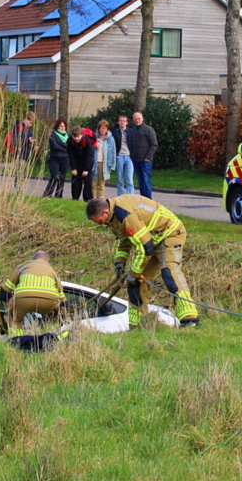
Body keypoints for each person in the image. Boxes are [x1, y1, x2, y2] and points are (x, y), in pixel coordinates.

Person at [86, 196, 199, 329]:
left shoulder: (125, 215)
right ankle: (137, 325)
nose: (101, 224)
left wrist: (134, 272)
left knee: (169, 273)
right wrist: (120, 262)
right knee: (137, 282)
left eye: (100, 221)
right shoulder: (112, 217)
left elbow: (145, 248)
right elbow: (124, 240)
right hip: (151, 240)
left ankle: (190, 319)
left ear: (105, 212)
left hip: (169, 234)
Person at [0, 251, 66, 336]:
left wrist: (8, 301)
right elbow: (62, 298)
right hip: (48, 300)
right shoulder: (52, 271)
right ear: (47, 260)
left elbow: (5, 291)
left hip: (23, 298)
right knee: (53, 319)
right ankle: (52, 338)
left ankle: (17, 339)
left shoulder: (24, 267)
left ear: (33, 259)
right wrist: (59, 309)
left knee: (13, 318)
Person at [130, 111, 158, 198]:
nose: (137, 120)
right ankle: (143, 199)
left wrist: (148, 157)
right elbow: (131, 145)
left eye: (139, 118)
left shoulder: (148, 129)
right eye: (135, 119)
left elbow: (154, 145)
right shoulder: (133, 131)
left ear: (142, 119)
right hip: (136, 160)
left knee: (146, 180)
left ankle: (148, 200)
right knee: (140, 181)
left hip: (146, 160)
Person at [67, 125, 95, 201]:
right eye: (74, 136)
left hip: (86, 162)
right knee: (75, 181)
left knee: (87, 182)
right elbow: (71, 155)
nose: (76, 138)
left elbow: (89, 156)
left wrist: (86, 169)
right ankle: (75, 198)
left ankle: (87, 199)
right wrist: (73, 168)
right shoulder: (70, 141)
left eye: (78, 136)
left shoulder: (87, 141)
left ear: (82, 135)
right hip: (76, 161)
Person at [43, 119, 69, 198]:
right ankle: (47, 194)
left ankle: (59, 195)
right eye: (61, 126)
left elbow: (69, 146)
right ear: (57, 126)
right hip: (54, 159)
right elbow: (55, 146)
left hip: (65, 159)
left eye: (64, 126)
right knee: (54, 177)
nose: (63, 128)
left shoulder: (67, 136)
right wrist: (65, 147)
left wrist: (61, 144)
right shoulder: (53, 135)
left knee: (62, 178)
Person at [92, 119, 117, 200]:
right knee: (94, 183)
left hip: (104, 164)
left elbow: (113, 152)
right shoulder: (94, 138)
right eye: (101, 128)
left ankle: (101, 200)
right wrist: (94, 147)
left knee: (101, 184)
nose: (103, 130)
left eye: (104, 128)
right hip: (95, 163)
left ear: (107, 129)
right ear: (98, 129)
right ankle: (94, 199)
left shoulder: (110, 139)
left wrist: (112, 165)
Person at [112, 115, 135, 196]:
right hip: (119, 157)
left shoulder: (130, 131)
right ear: (118, 122)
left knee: (129, 179)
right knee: (120, 180)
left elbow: (134, 144)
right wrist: (115, 154)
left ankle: (130, 196)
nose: (122, 122)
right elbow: (112, 144)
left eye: (124, 121)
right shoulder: (114, 131)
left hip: (128, 157)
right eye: (120, 120)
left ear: (127, 123)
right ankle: (120, 197)